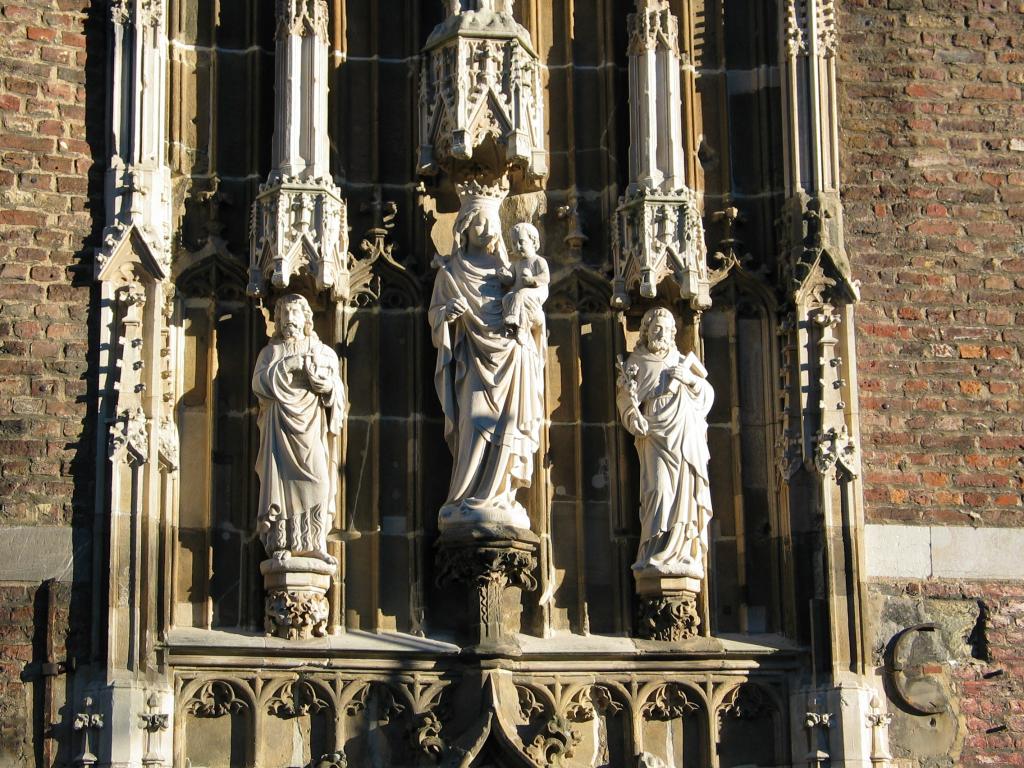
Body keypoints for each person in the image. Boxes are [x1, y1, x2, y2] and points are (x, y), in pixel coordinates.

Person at [428, 184, 546, 530]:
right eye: (480, 222)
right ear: (463, 228)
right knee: (476, 421)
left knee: (507, 426)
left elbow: (537, 314)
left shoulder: (510, 273)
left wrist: (528, 320)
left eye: (492, 222)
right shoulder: (450, 274)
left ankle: (501, 496)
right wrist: (448, 314)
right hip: (473, 365)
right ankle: (468, 496)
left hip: (512, 359)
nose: (488, 229)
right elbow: (437, 317)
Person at [616, 307, 714, 578]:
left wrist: (691, 381)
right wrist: (632, 418)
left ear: (673, 333)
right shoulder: (637, 363)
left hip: (684, 436)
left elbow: (706, 395)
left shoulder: (682, 362)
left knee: (685, 495)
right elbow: (626, 400)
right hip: (654, 438)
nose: (660, 333)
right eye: (654, 327)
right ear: (646, 331)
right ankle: (652, 551)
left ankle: (682, 551)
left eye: (665, 328)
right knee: (658, 491)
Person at [252, 294, 344, 565]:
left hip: (311, 429)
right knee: (280, 487)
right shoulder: (270, 353)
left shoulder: (322, 352)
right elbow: (258, 385)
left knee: (319, 480)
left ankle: (313, 542)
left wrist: (326, 389)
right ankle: (281, 542)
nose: (289, 319)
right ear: (277, 321)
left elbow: (337, 391)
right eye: (284, 314)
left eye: (295, 313)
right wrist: (287, 366)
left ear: (306, 319)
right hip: (280, 430)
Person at [501, 223, 550, 346]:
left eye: (521, 242)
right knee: (507, 298)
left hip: (536, 292)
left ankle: (521, 329)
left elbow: (545, 277)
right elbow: (510, 280)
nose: (517, 246)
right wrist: (505, 277)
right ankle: (512, 328)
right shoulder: (516, 264)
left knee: (521, 294)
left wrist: (531, 280)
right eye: (513, 243)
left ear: (533, 242)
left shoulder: (539, 260)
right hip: (521, 295)